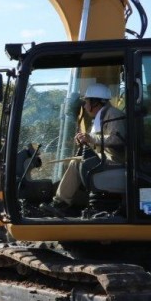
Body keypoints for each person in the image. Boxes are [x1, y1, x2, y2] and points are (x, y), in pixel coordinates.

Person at [45, 83, 126, 215]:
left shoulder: (113, 114)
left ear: (96, 102)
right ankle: (61, 202)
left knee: (77, 162)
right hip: (107, 157)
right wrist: (86, 141)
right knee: (74, 161)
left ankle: (61, 202)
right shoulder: (101, 116)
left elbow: (117, 139)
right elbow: (100, 141)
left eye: (87, 102)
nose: (85, 105)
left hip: (117, 160)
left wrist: (91, 138)